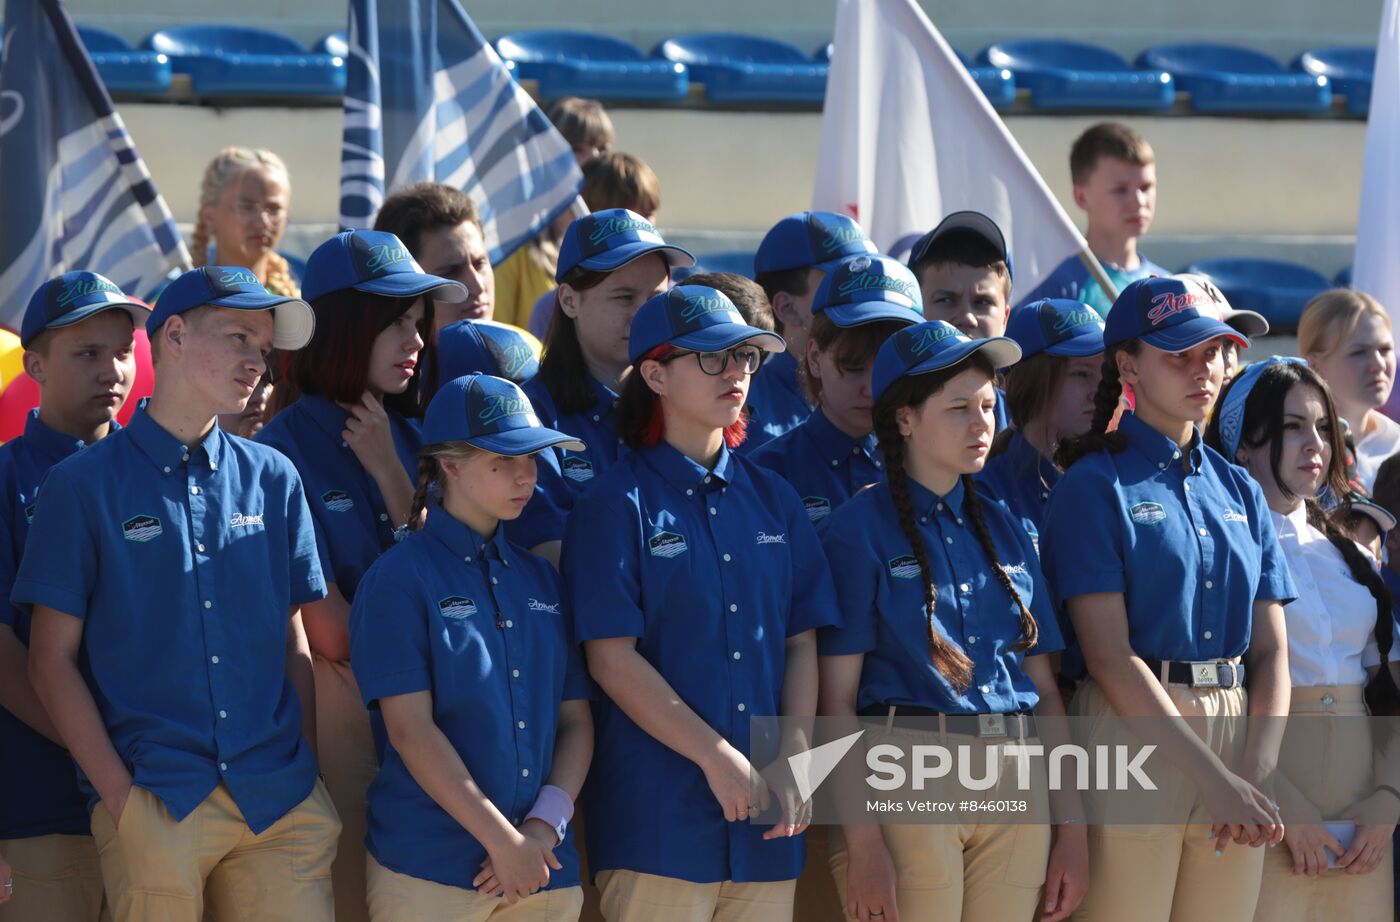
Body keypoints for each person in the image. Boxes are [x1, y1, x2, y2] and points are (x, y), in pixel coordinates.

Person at [18, 266, 339, 922]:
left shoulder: (274, 476)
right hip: (157, 798)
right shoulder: (80, 486)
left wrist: (303, 771)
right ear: (173, 337)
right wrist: (122, 799)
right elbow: (48, 660)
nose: (259, 360)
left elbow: (292, 637)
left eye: (264, 344)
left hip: (280, 802)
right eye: (239, 337)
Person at [564, 286, 840, 921]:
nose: (737, 371)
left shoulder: (776, 498)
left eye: (744, 356)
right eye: (712, 358)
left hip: (769, 829)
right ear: (655, 374)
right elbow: (610, 659)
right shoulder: (613, 504)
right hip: (657, 826)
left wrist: (795, 757)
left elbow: (802, 640)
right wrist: (717, 760)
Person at [1039, 276, 1295, 921]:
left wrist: (1256, 771)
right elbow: (1108, 656)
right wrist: (1217, 780)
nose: (1203, 369)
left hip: (1236, 731)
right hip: (1133, 730)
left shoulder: (1240, 489)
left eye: (1214, 351)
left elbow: (1271, 652)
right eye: (1179, 354)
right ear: (1128, 365)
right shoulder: (1093, 485)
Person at [817, 319, 1087, 922]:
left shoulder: (1008, 525)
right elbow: (833, 702)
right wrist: (862, 844)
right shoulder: (856, 530)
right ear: (904, 419)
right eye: (959, 406)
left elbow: (1045, 691)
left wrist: (1072, 831)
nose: (981, 422)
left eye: (989, 406)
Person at [256, 229, 468, 922]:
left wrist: (390, 475)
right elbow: (335, 635)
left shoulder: (417, 438)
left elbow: (464, 593)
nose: (415, 340)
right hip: (341, 739)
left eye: (417, 321)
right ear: (343, 326)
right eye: (393, 322)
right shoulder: (275, 456)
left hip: (450, 731)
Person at [350, 373, 593, 921]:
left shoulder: (542, 580)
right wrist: (504, 843)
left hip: (543, 869)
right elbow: (410, 729)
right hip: (431, 868)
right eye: (503, 460)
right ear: (449, 466)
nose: (525, 474)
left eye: (531, 457)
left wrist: (540, 829)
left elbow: (575, 720)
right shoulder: (397, 580)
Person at [1204, 356, 1400, 921]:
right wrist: (1283, 808)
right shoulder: (1217, 550)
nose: (1315, 442)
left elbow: (1390, 693)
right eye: (1292, 426)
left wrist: (1387, 801)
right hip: (1263, 820)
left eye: (1322, 426)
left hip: (1365, 832)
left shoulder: (1355, 556)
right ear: (1243, 443)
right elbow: (1217, 701)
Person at [0, 272, 145, 922]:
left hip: (164, 803)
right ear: (34, 364)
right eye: (87, 353)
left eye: (120, 350)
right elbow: (4, 656)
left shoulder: (160, 475)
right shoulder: (4, 478)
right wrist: (102, 757)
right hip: (44, 809)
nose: (111, 370)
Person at [515, 208, 693, 567]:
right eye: (625, 297)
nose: (643, 314)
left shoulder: (689, 403)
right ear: (568, 300)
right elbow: (552, 555)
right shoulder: (529, 419)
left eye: (656, 298)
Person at [750, 255, 922, 524]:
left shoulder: (932, 465)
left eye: (889, 368)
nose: (871, 389)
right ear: (815, 358)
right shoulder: (767, 474)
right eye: (853, 368)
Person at [976, 298, 1104, 548]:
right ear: (1031, 382)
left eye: (1107, 373)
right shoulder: (988, 496)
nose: (1099, 391)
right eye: (1082, 374)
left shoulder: (1115, 476)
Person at [190, 147, 300, 437]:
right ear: (210, 216)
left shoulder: (299, 310)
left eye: (273, 208)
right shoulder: (179, 306)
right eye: (246, 207)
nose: (262, 221)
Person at [747, 211, 878, 451]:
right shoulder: (744, 412)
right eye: (839, 285)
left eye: (867, 281)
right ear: (787, 308)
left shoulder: (901, 394)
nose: (860, 298)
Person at [1015, 122, 1166, 317]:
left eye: (1146, 187)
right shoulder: (1053, 286)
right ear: (1081, 197)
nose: (1138, 201)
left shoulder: (1168, 287)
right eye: (1120, 190)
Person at [498, 97, 614, 333]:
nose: (594, 158)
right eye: (577, 148)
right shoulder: (513, 243)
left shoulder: (610, 241)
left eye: (602, 148)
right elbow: (496, 335)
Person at [526, 152, 664, 340]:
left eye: (647, 214)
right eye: (624, 297)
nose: (639, 225)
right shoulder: (549, 309)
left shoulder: (676, 296)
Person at [1298, 289, 1400, 493]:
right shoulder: (1293, 448)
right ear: (1314, 366)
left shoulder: (1395, 442)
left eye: (1385, 349)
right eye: (1359, 352)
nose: (1378, 364)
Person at [374, 182, 495, 335]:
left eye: (480, 264)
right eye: (451, 272)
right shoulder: (364, 359)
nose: (477, 286)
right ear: (404, 290)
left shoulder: (531, 353)